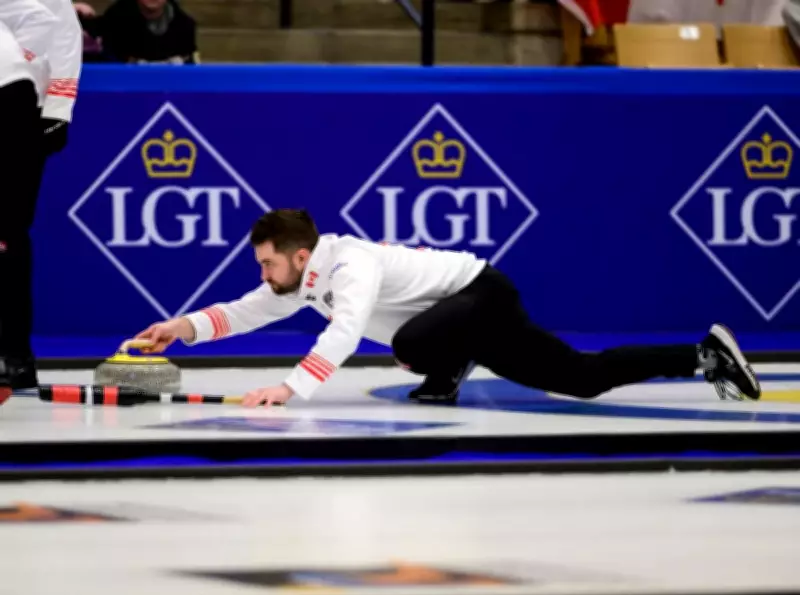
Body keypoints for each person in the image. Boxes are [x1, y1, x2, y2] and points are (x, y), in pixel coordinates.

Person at [134, 209, 761, 408]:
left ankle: (447, 363)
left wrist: (289, 389)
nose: (263, 275)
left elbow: (347, 330)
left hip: (482, 294)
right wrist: (179, 329)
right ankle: (704, 354)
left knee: (407, 345)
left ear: (300, 256)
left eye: (268, 264)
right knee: (582, 378)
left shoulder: (350, 264)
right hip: (467, 314)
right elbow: (243, 312)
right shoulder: (299, 278)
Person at [0, 0, 82, 396]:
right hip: (16, 92)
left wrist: (58, 107)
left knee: (7, 231)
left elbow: (59, 27)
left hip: (19, 104)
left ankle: (14, 354)